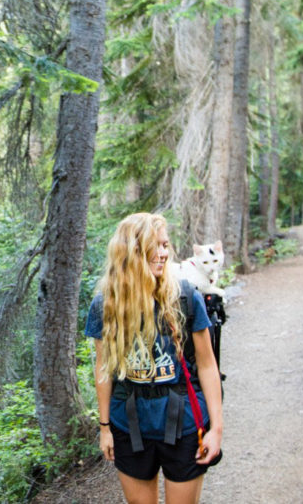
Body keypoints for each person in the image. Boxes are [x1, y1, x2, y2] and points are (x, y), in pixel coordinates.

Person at [84, 213, 223, 504]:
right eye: (154, 245)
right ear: (131, 250)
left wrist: (216, 430)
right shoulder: (106, 304)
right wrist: (105, 428)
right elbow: (103, 369)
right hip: (129, 424)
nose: (163, 253)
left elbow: (208, 365)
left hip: (184, 423)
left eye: (165, 245)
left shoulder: (184, 296)